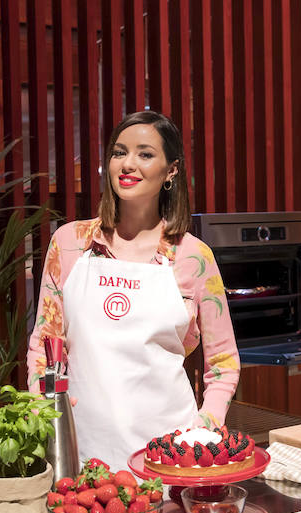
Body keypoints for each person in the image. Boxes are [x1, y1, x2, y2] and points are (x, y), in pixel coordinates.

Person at [26, 111, 239, 472]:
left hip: (169, 456)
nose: (127, 164)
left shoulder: (194, 257)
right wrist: (43, 411)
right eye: (119, 152)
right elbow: (43, 344)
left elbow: (223, 363)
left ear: (171, 170)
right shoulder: (70, 243)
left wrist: (204, 427)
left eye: (145, 154)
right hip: (80, 450)